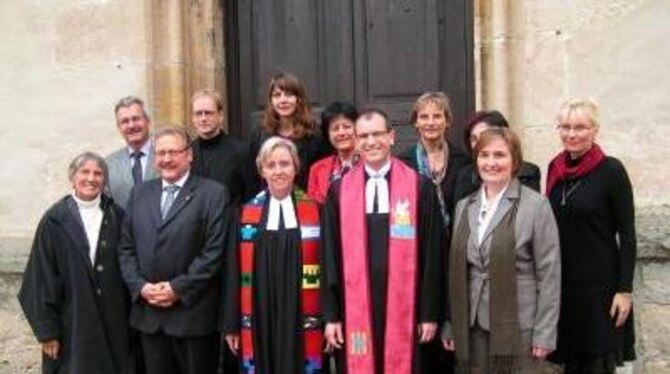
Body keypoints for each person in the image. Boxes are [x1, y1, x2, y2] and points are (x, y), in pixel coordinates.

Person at [321, 108, 445, 373]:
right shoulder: (339, 191)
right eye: (363, 135)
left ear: (391, 136)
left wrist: (429, 312)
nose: (370, 142)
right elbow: (329, 256)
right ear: (355, 140)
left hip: (407, 311)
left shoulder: (419, 187)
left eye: (377, 134)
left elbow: (433, 255)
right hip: (353, 309)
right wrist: (331, 316)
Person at [443, 128, 561, 373]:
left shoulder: (536, 206)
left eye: (500, 155)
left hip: (519, 328)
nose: (491, 163)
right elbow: (457, 272)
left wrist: (545, 333)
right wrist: (451, 323)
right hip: (471, 325)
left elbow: (549, 274)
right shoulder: (465, 206)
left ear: (514, 160)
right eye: (484, 155)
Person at [118, 126, 231, 374]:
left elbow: (214, 252)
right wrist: (141, 287)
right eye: (160, 153)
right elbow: (126, 248)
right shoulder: (140, 193)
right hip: (149, 315)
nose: (166, 159)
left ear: (189, 155)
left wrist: (177, 288)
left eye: (173, 152)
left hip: (192, 316)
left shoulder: (213, 193)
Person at [18, 152, 131, 374]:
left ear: (104, 180)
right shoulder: (55, 220)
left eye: (98, 173)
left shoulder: (116, 215)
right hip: (73, 323)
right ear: (73, 177)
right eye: (85, 172)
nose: (91, 178)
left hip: (114, 320)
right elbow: (40, 278)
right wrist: (47, 331)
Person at [547, 99, 636, 373]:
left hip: (600, 288)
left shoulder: (611, 170)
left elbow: (628, 234)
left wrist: (624, 290)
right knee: (570, 363)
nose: (571, 134)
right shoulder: (555, 168)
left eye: (580, 127)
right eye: (565, 127)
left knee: (596, 364)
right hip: (564, 285)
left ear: (594, 130)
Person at [224, 137, 323, 373]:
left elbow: (330, 267)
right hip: (260, 311)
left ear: (296, 167)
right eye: (271, 165)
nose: (278, 171)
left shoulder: (317, 212)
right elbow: (233, 271)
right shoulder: (244, 215)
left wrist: (330, 318)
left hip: (301, 311)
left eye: (284, 164)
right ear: (262, 170)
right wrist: (231, 325)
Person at [248, 72, 323, 195]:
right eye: (277, 95)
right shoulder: (260, 135)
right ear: (271, 101)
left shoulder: (314, 135)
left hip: (305, 205)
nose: (283, 100)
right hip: (269, 204)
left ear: (298, 99)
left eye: (288, 95)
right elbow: (253, 176)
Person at [454, 110, 541, 203]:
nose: (480, 143)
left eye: (485, 136)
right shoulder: (465, 176)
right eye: (474, 139)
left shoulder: (528, 173)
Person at [190, 89, 249, 205]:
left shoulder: (241, 151)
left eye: (208, 113)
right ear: (193, 118)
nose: (203, 119)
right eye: (198, 113)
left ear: (220, 116)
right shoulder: (187, 152)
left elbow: (251, 196)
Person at [106, 96, 159, 209]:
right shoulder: (109, 165)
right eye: (125, 121)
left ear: (148, 121)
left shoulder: (167, 155)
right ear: (119, 127)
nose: (131, 125)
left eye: (136, 119)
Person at [307, 101, 359, 204]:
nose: (341, 133)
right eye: (335, 129)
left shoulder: (371, 165)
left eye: (346, 127)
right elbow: (312, 209)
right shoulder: (317, 169)